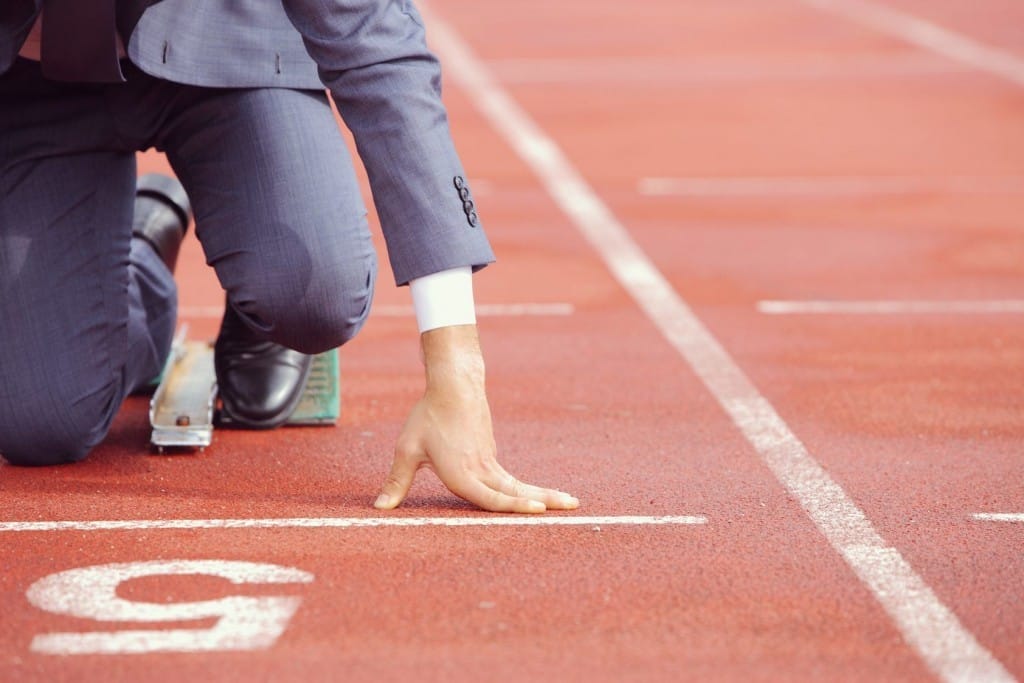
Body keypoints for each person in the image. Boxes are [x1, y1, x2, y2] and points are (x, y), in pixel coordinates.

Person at [0, 0, 578, 514]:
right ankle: (145, 259)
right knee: (39, 426)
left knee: (316, 289)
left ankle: (264, 305)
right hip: (36, 81)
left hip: (232, 51)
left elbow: (380, 47)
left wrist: (458, 380)